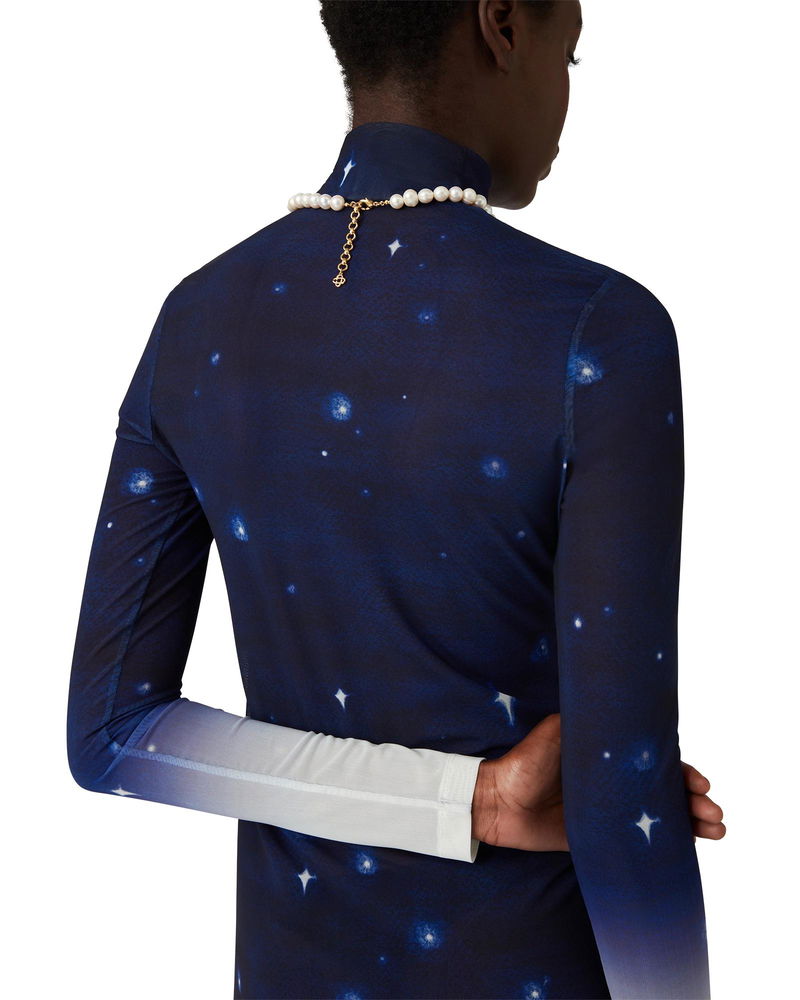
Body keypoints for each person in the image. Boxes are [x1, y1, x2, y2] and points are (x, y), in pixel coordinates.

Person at [66, 1, 725, 997]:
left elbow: (110, 735)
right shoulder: (597, 332)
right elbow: (619, 799)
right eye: (570, 52)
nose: (565, 93)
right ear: (501, 24)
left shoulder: (196, 320)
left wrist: (468, 798)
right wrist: (504, 799)